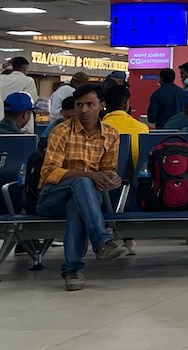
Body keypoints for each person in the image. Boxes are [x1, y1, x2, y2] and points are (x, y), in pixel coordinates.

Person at [35, 82, 123, 292]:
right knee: (81, 182)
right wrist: (88, 175)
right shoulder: (61, 131)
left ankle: (73, 270)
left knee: (77, 205)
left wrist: (110, 178)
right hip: (51, 196)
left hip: (86, 198)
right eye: (79, 105)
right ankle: (101, 240)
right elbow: (48, 172)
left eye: (90, 104)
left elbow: (107, 169)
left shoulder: (111, 134)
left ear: (101, 105)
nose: (83, 110)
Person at [100, 83, 149, 163]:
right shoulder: (142, 128)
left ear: (105, 105)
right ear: (126, 105)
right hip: (136, 174)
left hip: (106, 174)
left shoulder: (98, 129)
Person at [0, 56, 35, 126]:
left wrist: (3, 66)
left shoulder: (1, 79)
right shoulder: (28, 81)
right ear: (25, 68)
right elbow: (32, 100)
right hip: (20, 122)